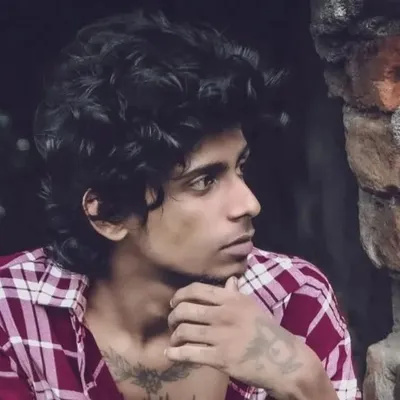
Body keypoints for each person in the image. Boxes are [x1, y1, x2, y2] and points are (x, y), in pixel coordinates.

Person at [0, 11, 361, 400]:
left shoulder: (295, 300)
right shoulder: (13, 314)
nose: (249, 203)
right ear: (108, 213)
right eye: (203, 181)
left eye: (240, 167)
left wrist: (304, 381)